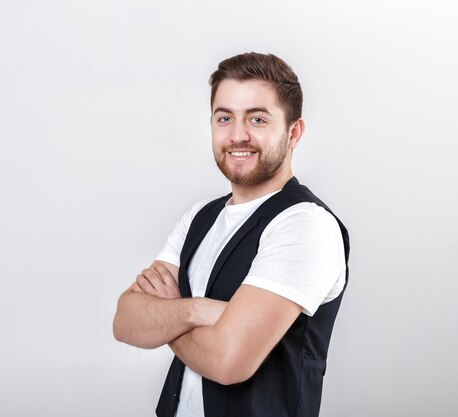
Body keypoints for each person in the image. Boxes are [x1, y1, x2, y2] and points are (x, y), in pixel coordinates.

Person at [113, 52, 350, 417]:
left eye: (257, 118)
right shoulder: (200, 217)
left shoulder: (304, 225)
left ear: (294, 132)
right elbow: (126, 322)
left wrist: (165, 317)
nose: (238, 135)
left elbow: (228, 362)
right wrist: (200, 310)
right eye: (225, 118)